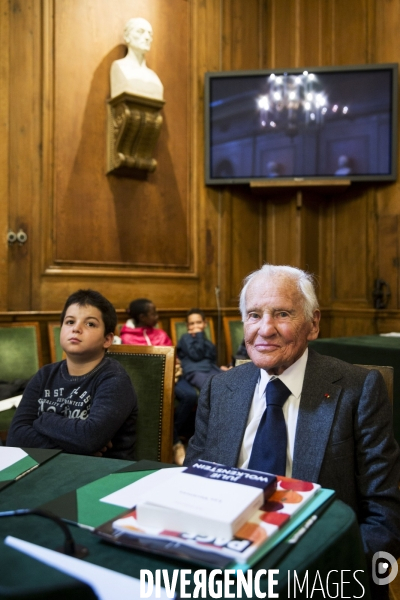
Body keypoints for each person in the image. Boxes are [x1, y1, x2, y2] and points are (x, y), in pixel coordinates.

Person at [185, 265, 400, 599]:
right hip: (224, 563)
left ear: (313, 324)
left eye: (282, 313)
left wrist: (329, 573)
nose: (265, 329)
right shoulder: (219, 389)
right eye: (254, 315)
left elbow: (384, 514)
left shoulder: (357, 390)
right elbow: (194, 484)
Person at [7, 290, 138, 460]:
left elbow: (90, 438)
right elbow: (15, 437)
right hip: (48, 468)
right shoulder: (45, 375)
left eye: (90, 324)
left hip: (103, 474)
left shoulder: (114, 379)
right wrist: (75, 448)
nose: (76, 328)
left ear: (107, 339)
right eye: (70, 322)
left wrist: (43, 419)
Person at [121, 298, 198, 466]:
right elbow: (135, 367)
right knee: (160, 400)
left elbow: (173, 356)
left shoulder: (160, 333)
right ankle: (175, 443)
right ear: (142, 317)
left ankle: (168, 434)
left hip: (173, 377)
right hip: (149, 383)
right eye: (153, 313)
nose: (157, 316)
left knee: (190, 396)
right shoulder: (127, 338)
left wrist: (176, 368)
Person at [110, 17, 163, 101]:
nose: (147, 37)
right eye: (140, 32)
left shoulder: (153, 76)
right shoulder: (119, 67)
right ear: (127, 37)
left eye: (150, 34)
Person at [177, 308, 229, 390]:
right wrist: (199, 335)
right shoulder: (185, 338)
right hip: (194, 371)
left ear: (205, 324)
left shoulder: (206, 341)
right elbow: (197, 355)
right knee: (211, 387)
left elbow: (211, 358)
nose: (195, 326)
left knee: (229, 381)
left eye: (199, 322)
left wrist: (219, 368)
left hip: (209, 369)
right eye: (191, 324)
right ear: (187, 326)